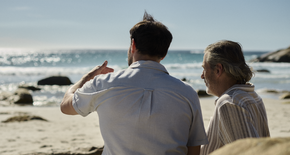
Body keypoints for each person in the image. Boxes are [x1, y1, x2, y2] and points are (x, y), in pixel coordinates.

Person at [60, 12, 208, 155]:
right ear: (164, 53)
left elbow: (65, 106)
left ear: (133, 45)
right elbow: (194, 149)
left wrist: (88, 77)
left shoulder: (103, 84)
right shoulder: (187, 93)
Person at [199, 40, 270, 155]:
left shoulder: (229, 103)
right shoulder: (253, 96)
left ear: (218, 70)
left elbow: (249, 153)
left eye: (204, 68)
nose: (202, 75)